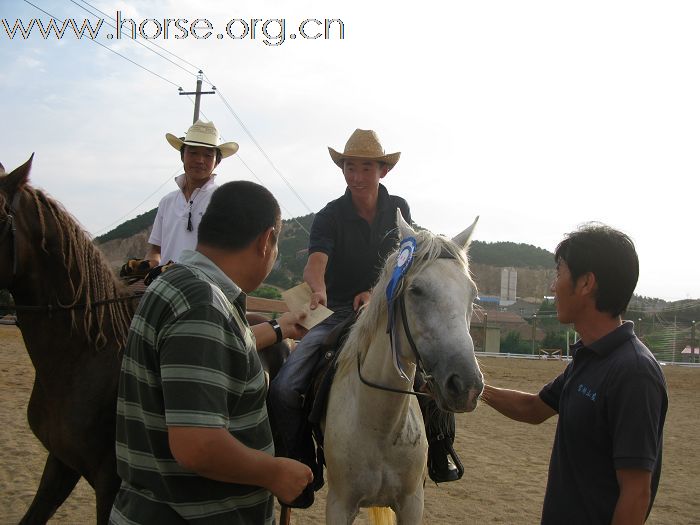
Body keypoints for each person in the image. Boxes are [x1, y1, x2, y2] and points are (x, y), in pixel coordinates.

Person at [268, 129, 460, 509]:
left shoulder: (399, 209)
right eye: (349, 167)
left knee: (437, 374)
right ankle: (303, 465)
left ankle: (440, 453)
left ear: (382, 171)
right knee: (285, 388)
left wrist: (375, 294)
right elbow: (315, 262)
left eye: (365, 167)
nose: (356, 175)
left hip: (389, 308)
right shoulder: (330, 215)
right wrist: (317, 288)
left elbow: (410, 261)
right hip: (337, 308)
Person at [110, 181, 313, 524]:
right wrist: (274, 472)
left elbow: (222, 348)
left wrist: (280, 328)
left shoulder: (177, 286)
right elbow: (198, 445)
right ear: (266, 241)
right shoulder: (202, 304)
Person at [481, 224, 668, 524]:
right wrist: (474, 389)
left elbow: (636, 494)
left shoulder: (634, 372)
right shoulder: (589, 358)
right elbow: (533, 408)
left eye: (559, 273)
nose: (554, 287)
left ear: (586, 283)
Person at [149, 119, 239, 267]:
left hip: (204, 288)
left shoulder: (223, 202)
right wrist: (149, 265)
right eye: (193, 152)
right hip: (166, 285)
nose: (200, 160)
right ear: (182, 156)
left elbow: (230, 254)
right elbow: (155, 250)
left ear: (217, 162)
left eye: (208, 155)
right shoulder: (167, 202)